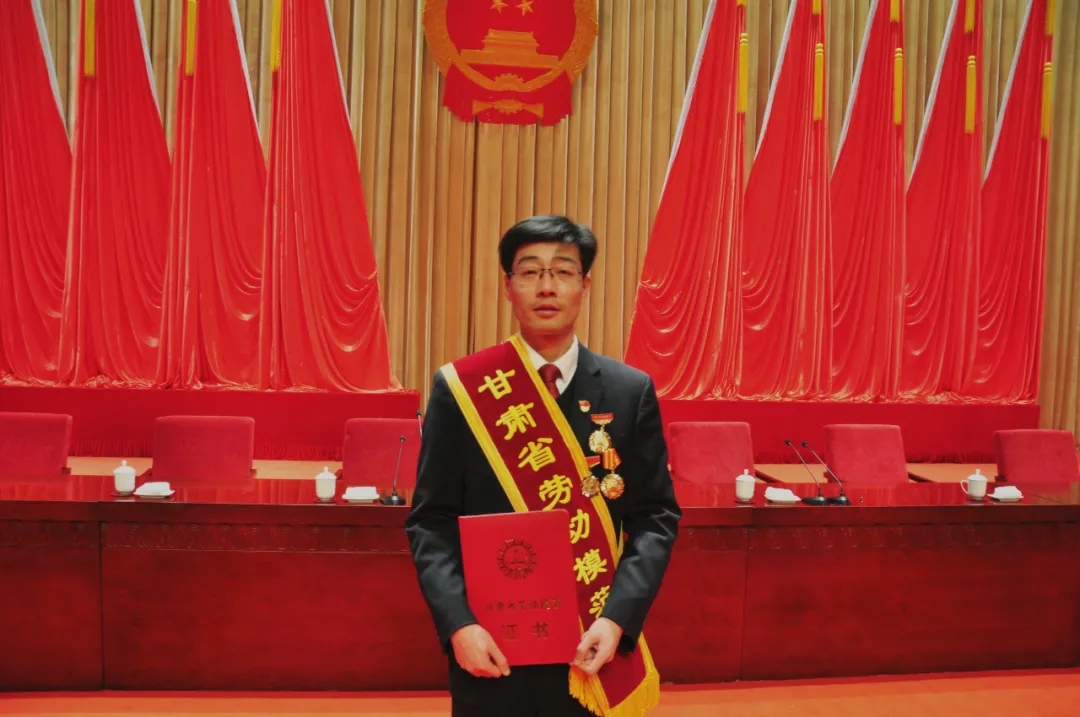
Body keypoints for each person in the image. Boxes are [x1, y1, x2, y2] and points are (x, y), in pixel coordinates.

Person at [405, 215, 681, 717]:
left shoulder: (629, 391)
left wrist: (618, 619)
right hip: (492, 648)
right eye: (530, 272)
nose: (547, 287)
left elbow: (655, 517)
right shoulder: (463, 389)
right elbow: (431, 520)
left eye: (563, 272)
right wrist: (458, 625)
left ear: (585, 285)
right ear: (508, 286)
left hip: (594, 644)